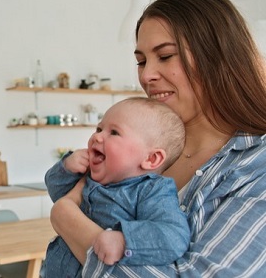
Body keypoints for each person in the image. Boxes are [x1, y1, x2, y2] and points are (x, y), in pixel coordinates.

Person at [49, 0, 266, 277]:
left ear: (219, 56)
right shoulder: (139, 145)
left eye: (165, 56)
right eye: (141, 61)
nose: (146, 75)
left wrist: (66, 219)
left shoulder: (255, 166)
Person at [43, 97, 190, 277]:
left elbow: (173, 235)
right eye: (99, 129)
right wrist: (66, 167)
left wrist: (125, 241)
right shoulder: (90, 175)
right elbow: (57, 192)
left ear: (151, 159)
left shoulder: (152, 190)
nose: (97, 136)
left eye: (114, 132)